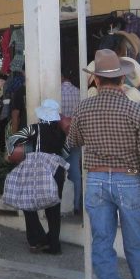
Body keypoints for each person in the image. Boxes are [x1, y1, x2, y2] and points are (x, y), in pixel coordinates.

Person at [67, 49, 140, 279]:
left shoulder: (83, 108)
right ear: (122, 80)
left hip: (96, 180)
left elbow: (73, 141)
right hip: (130, 180)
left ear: (95, 80)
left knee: (101, 243)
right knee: (138, 245)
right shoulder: (136, 110)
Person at [8, 99, 67, 255]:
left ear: (42, 116)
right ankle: (54, 245)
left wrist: (13, 154)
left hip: (38, 170)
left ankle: (37, 239)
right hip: (57, 170)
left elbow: (13, 139)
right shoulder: (61, 131)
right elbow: (66, 152)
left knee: (28, 203)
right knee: (54, 208)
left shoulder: (34, 129)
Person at [60, 71, 82, 217]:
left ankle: (62, 204)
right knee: (75, 170)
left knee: (59, 170)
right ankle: (76, 205)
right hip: (75, 135)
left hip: (60, 137)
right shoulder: (80, 93)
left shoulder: (56, 92)